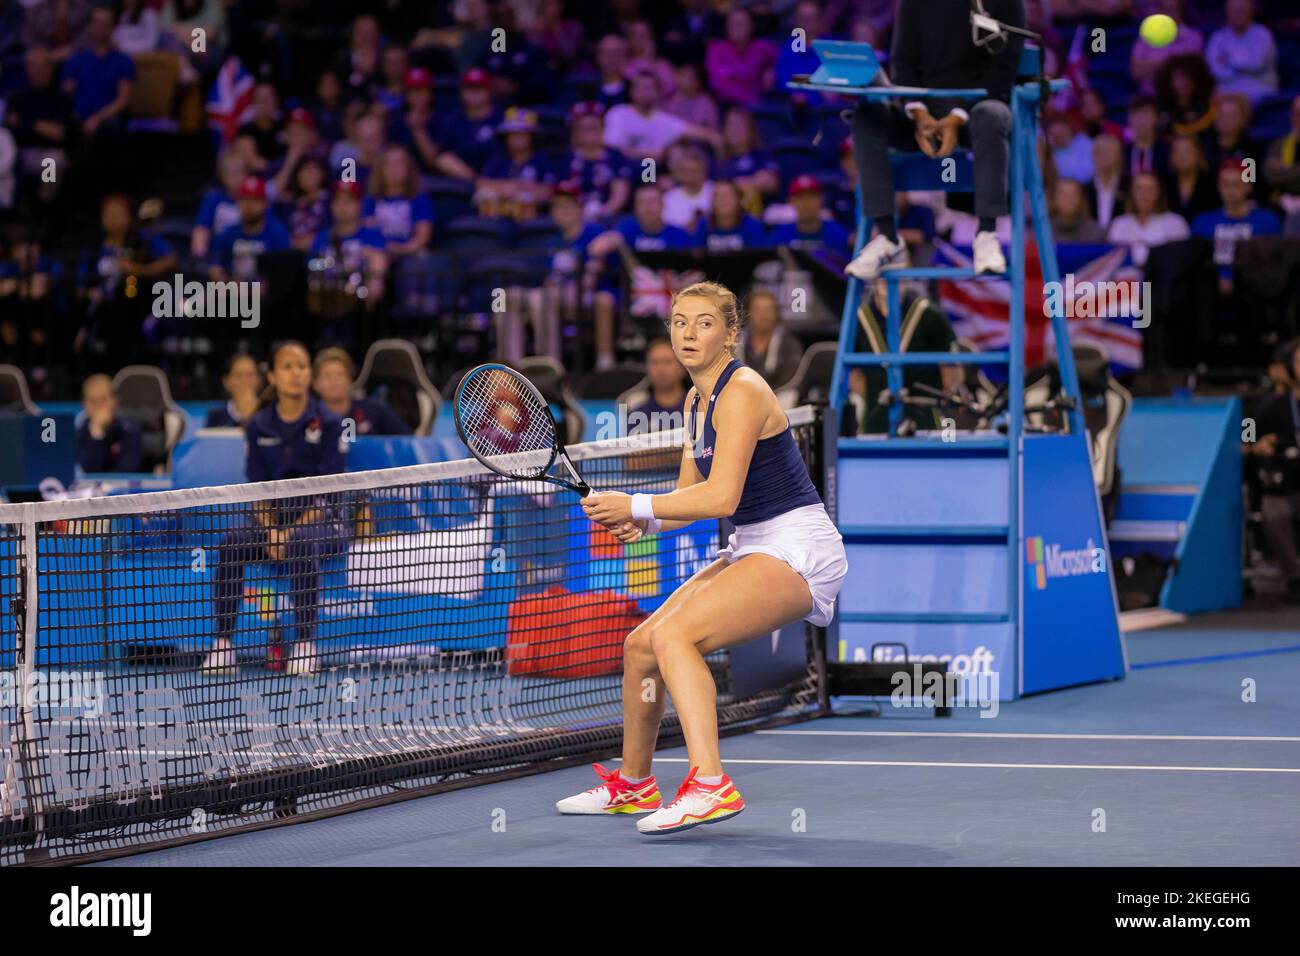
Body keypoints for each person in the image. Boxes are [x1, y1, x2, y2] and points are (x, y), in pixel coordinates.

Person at [568, 281, 847, 833]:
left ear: (730, 334)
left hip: (797, 545)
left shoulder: (741, 389)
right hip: (752, 542)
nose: (688, 333)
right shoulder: (697, 400)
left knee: (676, 637)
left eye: (703, 323)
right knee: (641, 645)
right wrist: (640, 519)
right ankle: (634, 783)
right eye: (678, 322)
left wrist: (636, 500)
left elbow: (722, 497)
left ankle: (711, 784)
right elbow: (686, 502)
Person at [845, 0, 1023, 280]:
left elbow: (1003, 69)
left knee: (993, 115)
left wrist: (956, 117)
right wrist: (918, 113)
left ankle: (986, 234)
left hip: (974, 109)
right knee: (866, 116)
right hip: (921, 115)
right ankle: (887, 237)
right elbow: (902, 63)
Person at [203, 340, 350, 676]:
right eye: (288, 366)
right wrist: (272, 530)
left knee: (300, 544)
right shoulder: (259, 425)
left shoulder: (328, 421)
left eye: (302, 366)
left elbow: (328, 494)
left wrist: (289, 533)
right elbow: (257, 490)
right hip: (271, 521)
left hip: (324, 520)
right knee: (232, 543)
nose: (297, 373)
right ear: (272, 376)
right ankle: (223, 645)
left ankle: (304, 646)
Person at [852, 277, 962, 435]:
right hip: (876, 417)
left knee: (934, 456)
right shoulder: (858, 318)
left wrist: (939, 400)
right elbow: (851, 373)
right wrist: (874, 397)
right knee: (873, 456)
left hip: (925, 415)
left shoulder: (930, 315)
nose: (887, 281)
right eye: (882, 275)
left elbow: (952, 369)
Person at [1247, 340, 1300, 601]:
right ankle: (1295, 575)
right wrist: (1256, 445)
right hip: (1286, 484)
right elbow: (1245, 437)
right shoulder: (1269, 406)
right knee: (1274, 511)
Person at [1192, 161, 1282, 294]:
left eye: (1236, 184)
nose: (1230, 189)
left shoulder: (1267, 221)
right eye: (1225, 184)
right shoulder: (1203, 222)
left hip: (1256, 291)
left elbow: (1274, 261)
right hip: (1211, 293)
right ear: (1218, 186)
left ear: (1248, 186)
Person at [603, 69, 721, 164]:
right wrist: (650, 154)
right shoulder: (618, 114)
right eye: (638, 87)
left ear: (658, 92)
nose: (643, 92)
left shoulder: (663, 120)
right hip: (621, 168)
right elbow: (612, 149)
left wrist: (714, 138)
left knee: (672, 157)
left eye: (648, 88)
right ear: (631, 91)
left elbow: (696, 131)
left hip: (649, 171)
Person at [552, 102, 632, 220]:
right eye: (583, 129)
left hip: (608, 218)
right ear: (575, 132)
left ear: (603, 130)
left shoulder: (615, 156)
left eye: (593, 128)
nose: (588, 133)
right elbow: (560, 193)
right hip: (571, 219)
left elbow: (619, 195)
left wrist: (601, 214)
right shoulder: (565, 159)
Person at [312, 347, 411, 436]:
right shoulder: (309, 418)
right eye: (327, 376)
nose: (334, 381)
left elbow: (406, 441)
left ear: (349, 379)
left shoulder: (375, 409)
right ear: (315, 384)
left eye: (339, 375)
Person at [210, 176, 290, 281]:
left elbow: (284, 275)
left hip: (266, 295)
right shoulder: (228, 234)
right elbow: (215, 270)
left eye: (255, 200)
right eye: (245, 199)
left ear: (265, 204)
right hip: (232, 293)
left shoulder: (278, 234)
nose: (249, 206)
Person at [1107, 171, 1190, 265]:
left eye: (1150, 189)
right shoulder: (1119, 224)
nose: (1144, 194)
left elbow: (1180, 262)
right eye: (1139, 189)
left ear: (1159, 193)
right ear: (1131, 193)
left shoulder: (1175, 223)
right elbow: (1112, 262)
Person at [365, 144, 433, 258]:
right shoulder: (370, 200)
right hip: (377, 255)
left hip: (410, 254)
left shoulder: (419, 199)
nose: (394, 168)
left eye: (400, 163)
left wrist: (401, 249)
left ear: (408, 168)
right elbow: (365, 232)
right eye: (389, 163)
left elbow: (422, 237)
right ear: (380, 169)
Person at [1204, 0, 1277, 104]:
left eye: (1242, 10)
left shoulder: (1263, 34)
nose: (1237, 13)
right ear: (1227, 12)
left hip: (1259, 91)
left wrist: (1228, 60)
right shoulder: (1217, 37)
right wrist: (1242, 64)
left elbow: (1256, 63)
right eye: (1234, 10)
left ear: (1251, 11)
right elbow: (1215, 70)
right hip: (1226, 90)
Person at [704, 6, 777, 108]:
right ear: (726, 26)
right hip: (726, 107)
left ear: (751, 26)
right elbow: (717, 83)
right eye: (732, 23)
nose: (736, 27)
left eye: (741, 23)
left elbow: (786, 66)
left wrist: (772, 69)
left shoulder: (763, 47)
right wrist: (750, 99)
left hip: (758, 107)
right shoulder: (716, 49)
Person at [76, 374, 142, 472]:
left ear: (114, 401)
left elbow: (128, 469)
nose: (98, 406)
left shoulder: (129, 430)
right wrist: (97, 434)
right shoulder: (82, 431)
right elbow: (89, 470)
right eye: (93, 401)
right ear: (85, 403)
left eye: (103, 400)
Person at [741, 290, 803, 390]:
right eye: (757, 310)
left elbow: (792, 380)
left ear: (776, 314)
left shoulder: (789, 344)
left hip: (777, 398)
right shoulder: (734, 342)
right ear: (747, 313)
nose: (763, 315)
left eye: (768, 310)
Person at [770, 175, 850, 251]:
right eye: (800, 197)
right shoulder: (781, 233)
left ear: (821, 200)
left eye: (812, 196)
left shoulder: (836, 231)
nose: (806, 202)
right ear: (791, 201)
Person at [627, 336, 688, 434]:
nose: (660, 369)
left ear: (682, 368)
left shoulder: (699, 408)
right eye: (654, 363)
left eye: (667, 362)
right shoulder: (637, 412)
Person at [696, 179, 768, 251]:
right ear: (712, 202)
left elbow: (760, 257)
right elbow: (695, 256)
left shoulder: (752, 225)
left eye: (728, 196)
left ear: (738, 200)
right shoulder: (704, 224)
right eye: (718, 196)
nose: (723, 200)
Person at [1164, 132, 1219, 224]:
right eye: (1177, 151)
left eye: (1187, 151)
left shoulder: (1211, 181)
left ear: (1198, 154)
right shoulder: (1165, 183)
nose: (1182, 156)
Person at [661, 141, 713, 232]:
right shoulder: (668, 198)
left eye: (695, 171)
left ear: (704, 172)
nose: (691, 177)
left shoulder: (716, 192)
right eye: (686, 172)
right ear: (679, 174)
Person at [1085, 133, 1129, 231]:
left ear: (1120, 156)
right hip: (1092, 242)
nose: (1104, 156)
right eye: (1100, 152)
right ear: (1093, 156)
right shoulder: (1085, 190)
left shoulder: (1129, 188)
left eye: (1110, 152)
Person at [205, 352, 261, 427]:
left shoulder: (271, 414)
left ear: (258, 380)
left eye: (249, 375)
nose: (244, 381)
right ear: (226, 382)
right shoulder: (215, 418)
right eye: (238, 375)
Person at [1050, 178, 1107, 243]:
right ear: (1053, 199)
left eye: (1073, 193)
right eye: (1062, 194)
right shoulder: (1043, 232)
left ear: (1081, 199)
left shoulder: (1096, 232)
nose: (1068, 198)